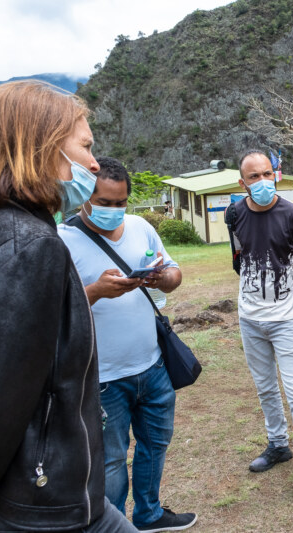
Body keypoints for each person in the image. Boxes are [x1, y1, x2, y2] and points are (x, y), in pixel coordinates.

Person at [0, 81, 137, 532]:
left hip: (9, 499)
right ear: (38, 148)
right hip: (43, 507)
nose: (95, 165)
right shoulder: (34, 247)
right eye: (85, 147)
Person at [58, 157, 195, 532]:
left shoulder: (140, 227)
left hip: (152, 367)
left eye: (121, 203)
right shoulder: (62, 240)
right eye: (104, 203)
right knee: (112, 461)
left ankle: (149, 514)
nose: (114, 211)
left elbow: (174, 271)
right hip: (102, 377)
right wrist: (97, 291)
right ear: (85, 197)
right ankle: (112, 523)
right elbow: (52, 307)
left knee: (155, 445)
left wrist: (164, 278)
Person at [224, 149, 293, 516]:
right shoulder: (233, 213)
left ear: (277, 174)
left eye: (267, 173)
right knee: (265, 386)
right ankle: (278, 444)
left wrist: (282, 290)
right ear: (242, 183)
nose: (262, 181)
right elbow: (239, 257)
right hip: (249, 317)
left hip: (285, 318)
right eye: (253, 176)